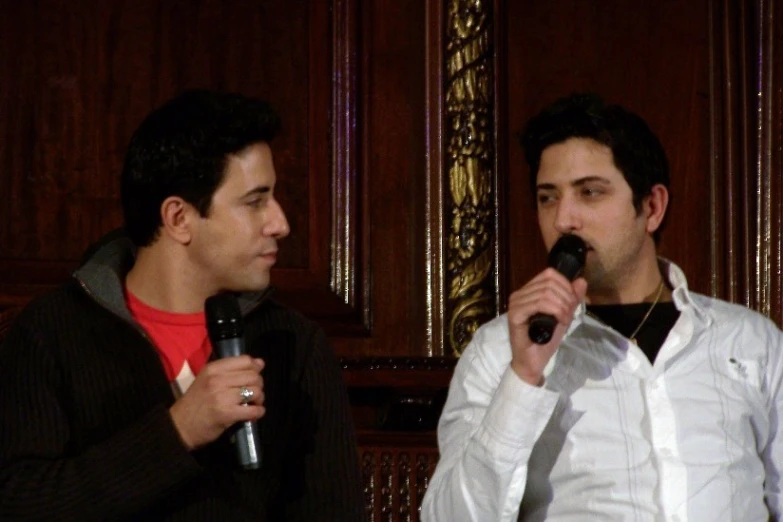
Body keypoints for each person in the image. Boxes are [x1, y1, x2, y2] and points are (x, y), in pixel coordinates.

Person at [0, 90, 365, 521]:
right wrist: (178, 432)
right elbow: (18, 504)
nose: (280, 223)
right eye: (254, 201)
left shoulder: (294, 344)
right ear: (178, 218)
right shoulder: (50, 332)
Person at [421, 93, 783, 521]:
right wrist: (523, 378)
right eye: (547, 197)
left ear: (651, 207)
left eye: (590, 192)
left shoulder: (749, 341)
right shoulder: (500, 350)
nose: (563, 220)